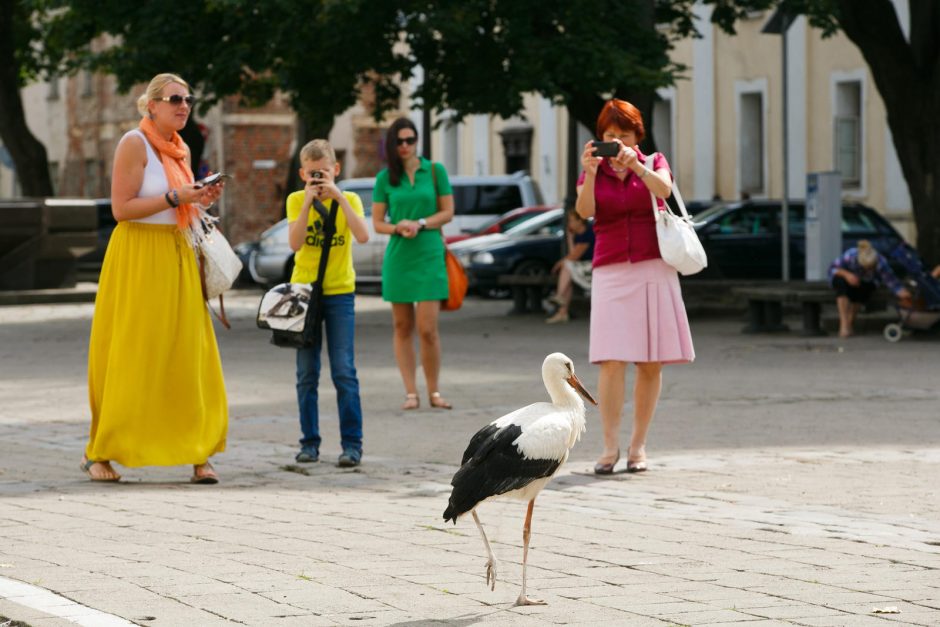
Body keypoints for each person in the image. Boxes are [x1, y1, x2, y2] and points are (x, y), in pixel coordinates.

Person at [82, 73, 227, 483]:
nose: (184, 105)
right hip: (139, 254)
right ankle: (102, 452)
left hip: (177, 252)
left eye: (188, 99)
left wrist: (199, 197)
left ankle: (200, 452)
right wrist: (177, 197)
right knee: (132, 352)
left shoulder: (180, 148)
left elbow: (177, 205)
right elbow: (121, 209)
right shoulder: (135, 142)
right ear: (152, 105)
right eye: (174, 98)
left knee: (190, 352)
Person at [575, 99, 695, 476]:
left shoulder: (654, 160)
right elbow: (584, 211)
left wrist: (637, 166)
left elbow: (664, 189)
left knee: (649, 361)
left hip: (653, 265)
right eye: (609, 136)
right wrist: (591, 174)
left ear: (636, 136)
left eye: (623, 136)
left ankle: (638, 445)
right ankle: (609, 445)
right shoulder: (595, 167)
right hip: (611, 267)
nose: (616, 143)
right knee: (610, 361)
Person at [287, 140, 370, 467]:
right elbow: (295, 243)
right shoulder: (296, 200)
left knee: (344, 371)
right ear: (302, 174)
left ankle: (352, 445)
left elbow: (362, 235)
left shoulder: (349, 198)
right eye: (312, 173)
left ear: (336, 170)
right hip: (304, 294)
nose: (318, 178)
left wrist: (337, 197)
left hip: (339, 292)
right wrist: (308, 201)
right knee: (306, 372)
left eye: (323, 172)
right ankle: (309, 443)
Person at [372, 117, 456, 410]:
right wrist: (398, 226)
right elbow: (377, 223)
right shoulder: (385, 178)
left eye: (410, 140)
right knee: (401, 325)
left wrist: (419, 223)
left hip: (429, 253)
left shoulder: (434, 171)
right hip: (399, 256)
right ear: (391, 146)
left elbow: (447, 212)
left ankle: (434, 391)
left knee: (428, 328)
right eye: (399, 142)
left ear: (416, 141)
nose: (405, 146)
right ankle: (411, 392)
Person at [829, 240, 911, 338]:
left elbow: (890, 280)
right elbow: (832, 268)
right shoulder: (851, 255)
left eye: (871, 268)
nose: (868, 270)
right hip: (846, 280)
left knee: (863, 290)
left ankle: (850, 322)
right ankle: (844, 323)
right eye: (865, 267)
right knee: (840, 284)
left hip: (865, 284)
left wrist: (901, 291)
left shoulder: (880, 262)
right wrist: (847, 275)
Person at [545, 210, 595, 324]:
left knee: (567, 267)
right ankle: (562, 311)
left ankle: (559, 296)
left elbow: (574, 256)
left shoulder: (588, 234)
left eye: (571, 220)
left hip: (591, 267)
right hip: (582, 266)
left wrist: (559, 264)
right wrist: (570, 238)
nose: (569, 223)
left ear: (580, 221)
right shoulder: (578, 235)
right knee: (568, 272)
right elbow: (573, 255)